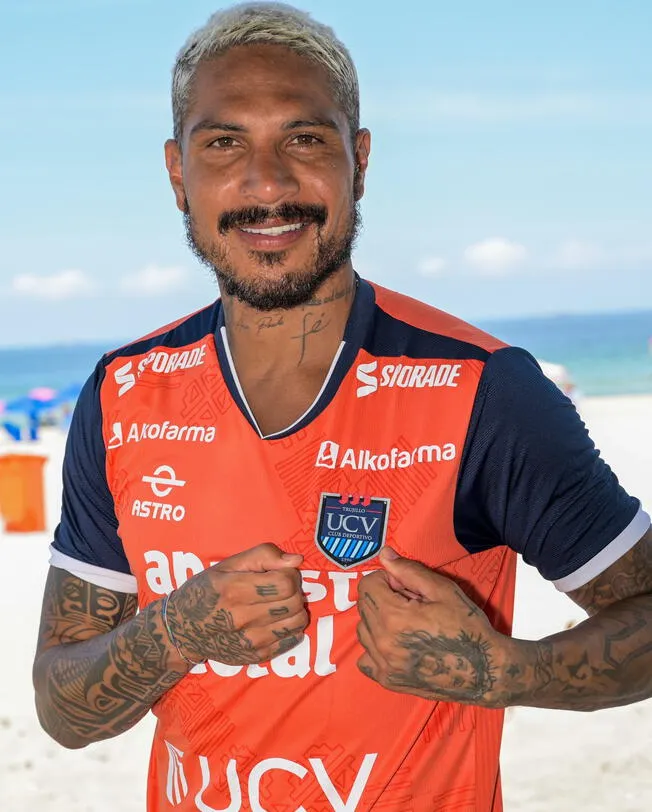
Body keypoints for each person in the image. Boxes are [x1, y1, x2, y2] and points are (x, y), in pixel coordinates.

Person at [33, 3, 652, 810]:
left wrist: (505, 671)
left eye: (306, 138)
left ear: (359, 159)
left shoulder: (484, 391)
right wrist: (172, 633)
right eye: (225, 143)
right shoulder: (123, 394)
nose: (268, 183)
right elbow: (61, 708)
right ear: (177, 172)